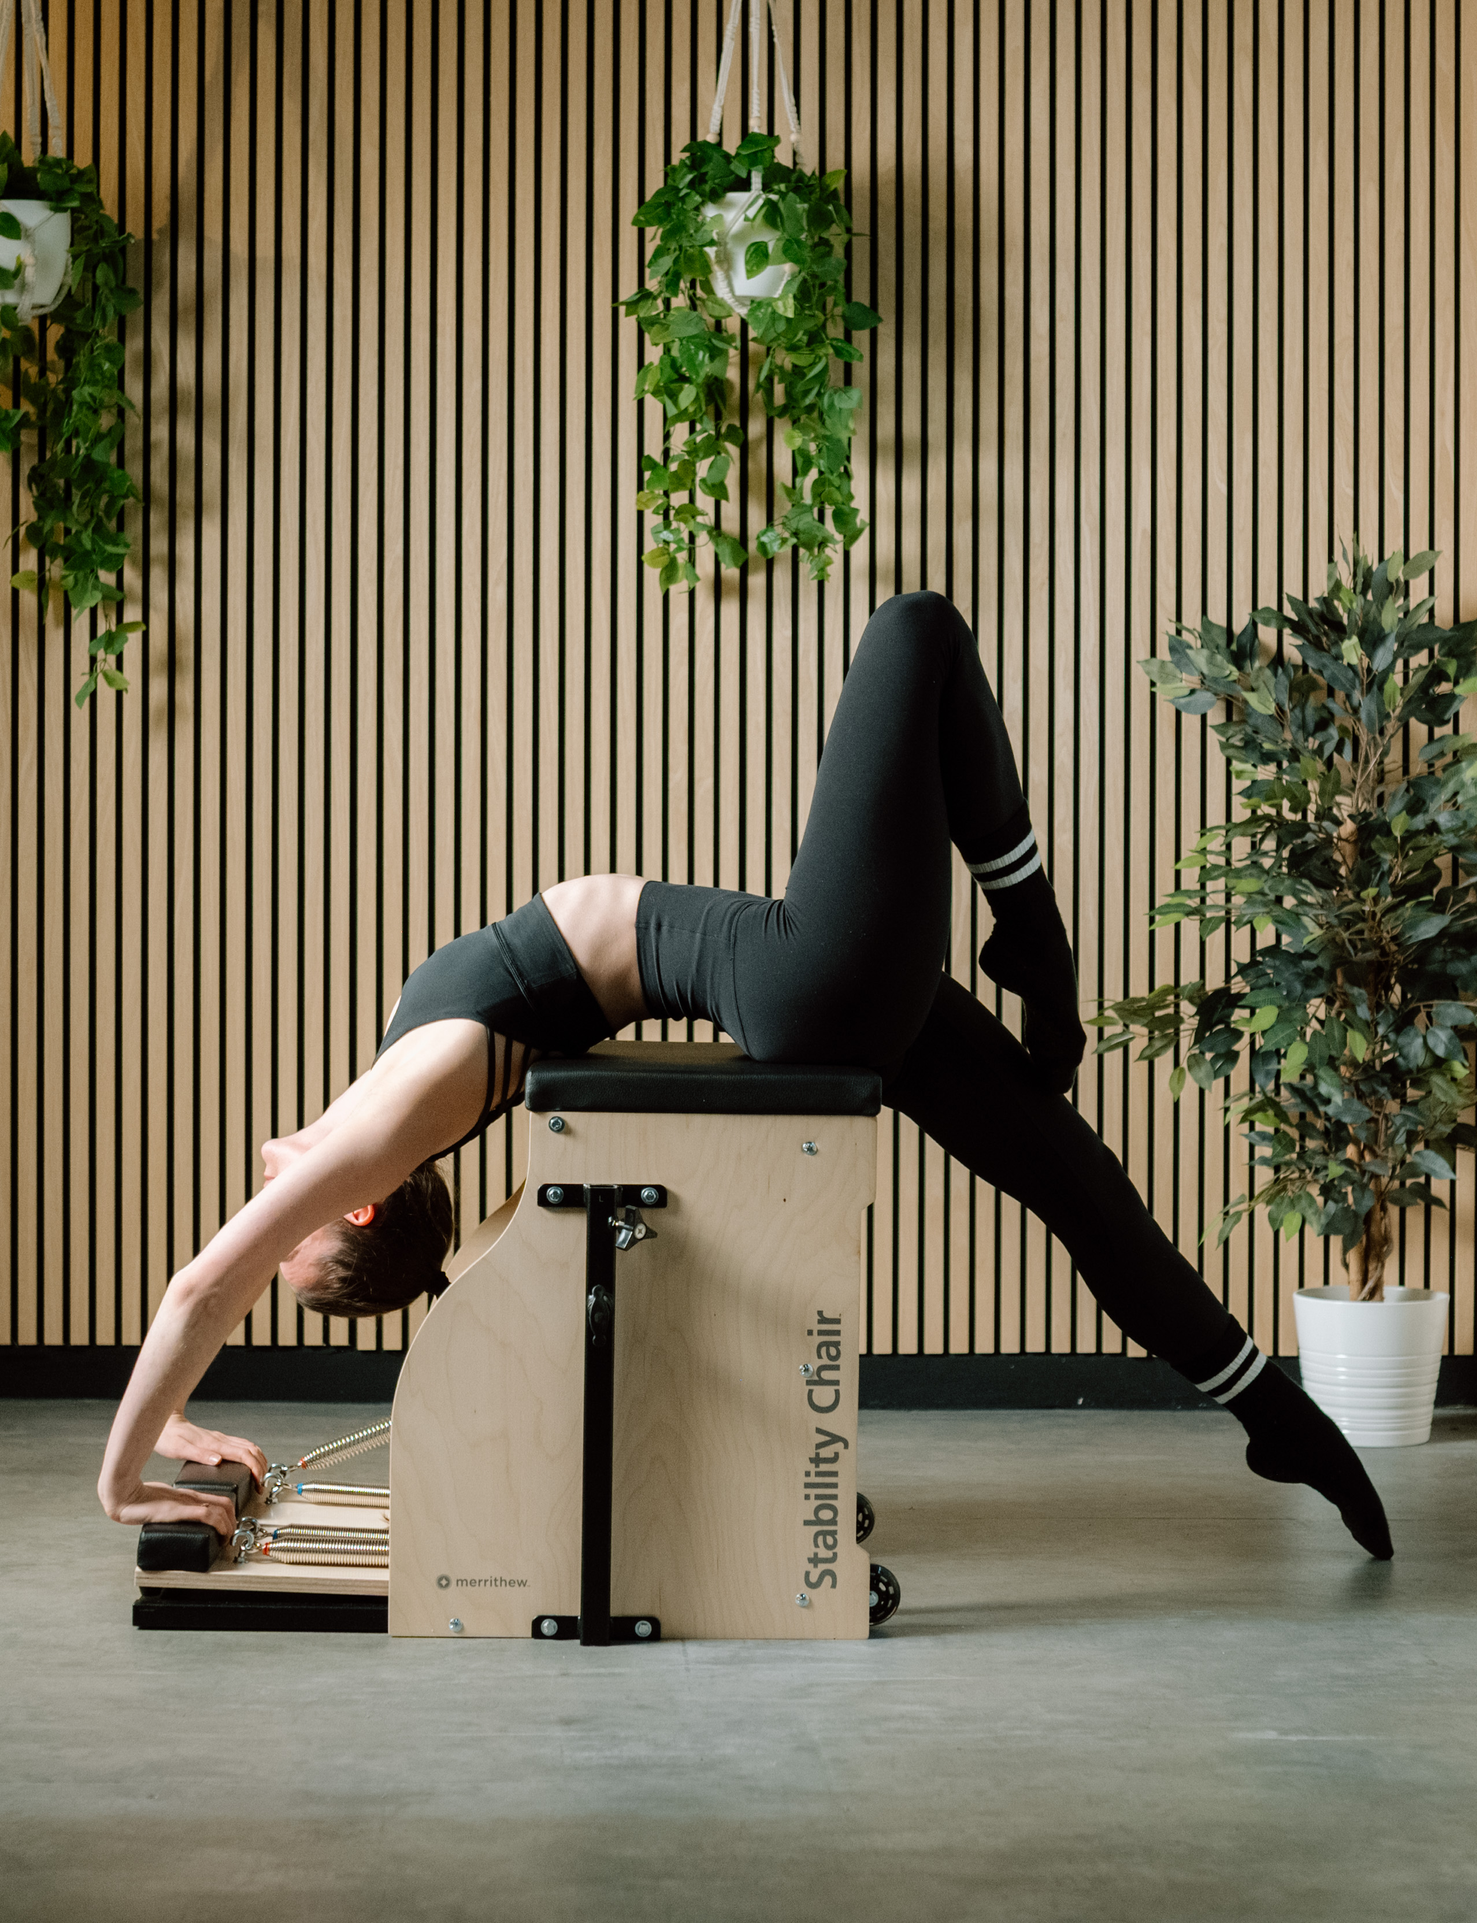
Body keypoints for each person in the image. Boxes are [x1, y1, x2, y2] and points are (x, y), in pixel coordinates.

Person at [100, 592, 1394, 1560]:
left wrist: (183, 1431)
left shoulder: (400, 1090)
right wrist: (123, 1474)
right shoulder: (387, 1120)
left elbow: (221, 1282)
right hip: (792, 974)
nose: (268, 1204)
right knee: (917, 633)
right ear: (366, 1204)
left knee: (1060, 1164)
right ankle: (1037, 941)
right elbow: (203, 1283)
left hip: (802, 982)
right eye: (298, 1236)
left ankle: (1266, 1404)